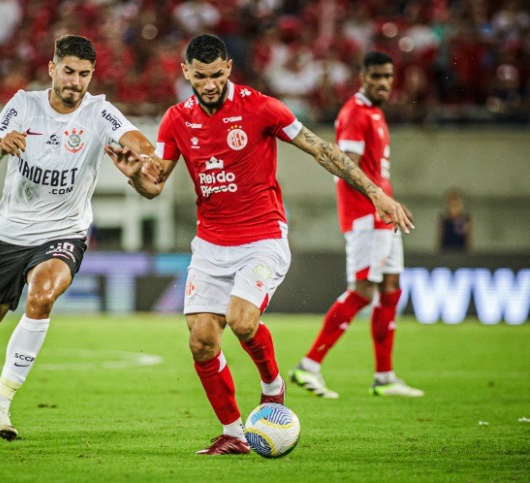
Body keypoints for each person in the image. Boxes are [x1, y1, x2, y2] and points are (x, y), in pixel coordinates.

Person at [106, 35, 413, 455]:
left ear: (229, 68)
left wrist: (375, 192)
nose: (210, 84)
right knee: (200, 340)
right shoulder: (176, 119)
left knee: (243, 321)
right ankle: (233, 434)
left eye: (217, 75)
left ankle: (273, 387)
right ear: (186, 73)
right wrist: (134, 176)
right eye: (201, 76)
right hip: (211, 244)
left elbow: (322, 150)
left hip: (262, 237)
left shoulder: (261, 107)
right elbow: (154, 185)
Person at [0, 35, 162, 445]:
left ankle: (1, 406)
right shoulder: (23, 105)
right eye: (69, 71)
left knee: (42, 296)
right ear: (52, 68)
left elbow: (142, 147)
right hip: (9, 237)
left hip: (65, 233)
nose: (76, 81)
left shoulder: (99, 113)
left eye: (85, 74)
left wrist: (142, 163)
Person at [289, 52, 424, 399]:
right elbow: (345, 168)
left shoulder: (375, 113)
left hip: (384, 215)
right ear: (362, 76)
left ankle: (384, 376)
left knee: (391, 287)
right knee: (364, 290)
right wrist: (379, 200)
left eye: (388, 76)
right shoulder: (354, 113)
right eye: (376, 76)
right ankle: (309, 366)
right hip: (367, 216)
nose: (383, 82)